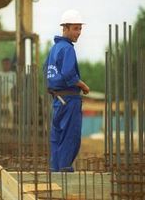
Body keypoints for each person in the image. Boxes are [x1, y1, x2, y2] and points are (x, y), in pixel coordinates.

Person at [44, 9, 90, 172]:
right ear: (65, 28)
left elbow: (46, 71)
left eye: (80, 29)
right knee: (70, 137)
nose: (78, 33)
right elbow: (69, 74)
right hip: (69, 99)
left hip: (58, 100)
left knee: (57, 137)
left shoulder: (54, 49)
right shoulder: (68, 49)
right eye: (75, 29)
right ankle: (64, 172)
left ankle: (55, 171)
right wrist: (83, 85)